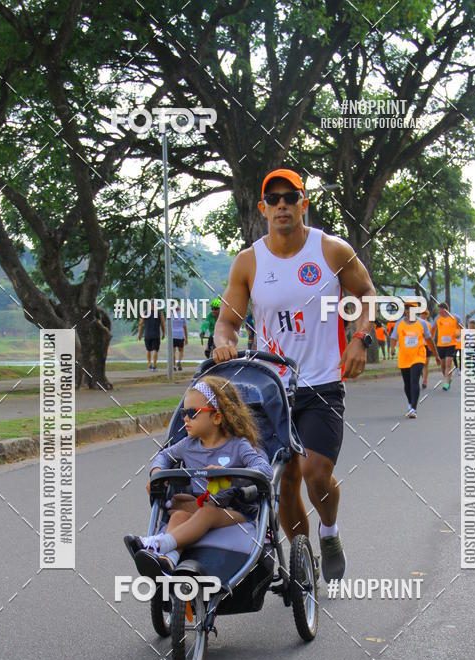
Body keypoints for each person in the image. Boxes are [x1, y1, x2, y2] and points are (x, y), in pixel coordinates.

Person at [212, 167, 375, 581]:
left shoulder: (332, 250)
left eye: (291, 197)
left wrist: (361, 339)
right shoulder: (249, 261)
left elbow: (367, 294)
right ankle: (304, 566)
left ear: (304, 204)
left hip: (322, 383)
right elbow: (227, 321)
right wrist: (222, 341)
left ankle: (330, 531)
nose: (282, 204)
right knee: (282, 482)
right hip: (271, 388)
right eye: (274, 198)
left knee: (315, 473)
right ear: (264, 209)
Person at [124, 376, 273, 574]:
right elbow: (164, 456)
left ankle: (157, 544)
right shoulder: (188, 445)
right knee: (178, 515)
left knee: (207, 512)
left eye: (192, 413)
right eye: (184, 412)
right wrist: (157, 473)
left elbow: (265, 469)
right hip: (201, 503)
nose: (185, 418)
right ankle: (168, 560)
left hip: (235, 510)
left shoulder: (239, 445)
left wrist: (230, 477)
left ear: (217, 417)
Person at [390, 300, 440, 418]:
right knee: (407, 384)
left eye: (411, 308)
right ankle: (410, 403)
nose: (408, 311)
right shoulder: (399, 323)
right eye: (406, 308)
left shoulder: (422, 323)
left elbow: (429, 341)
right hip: (404, 357)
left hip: (418, 356)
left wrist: (436, 355)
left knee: (414, 380)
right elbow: (393, 337)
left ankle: (413, 409)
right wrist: (392, 348)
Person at [431, 301, 461, 391]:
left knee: (448, 364)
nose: (438, 312)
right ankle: (447, 378)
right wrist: (430, 341)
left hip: (451, 344)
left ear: (445, 310)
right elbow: (432, 330)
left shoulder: (455, 318)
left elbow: (462, 327)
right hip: (440, 345)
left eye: (439, 311)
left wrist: (458, 333)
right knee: (443, 365)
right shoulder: (438, 318)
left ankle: (447, 383)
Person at [419, 308, 432, 389]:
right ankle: (421, 373)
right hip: (419, 346)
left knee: (426, 363)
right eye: (423, 313)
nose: (424, 315)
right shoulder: (417, 323)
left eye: (425, 314)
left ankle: (424, 380)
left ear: (427, 315)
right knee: (419, 363)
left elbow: (430, 337)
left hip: (427, 345)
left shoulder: (428, 324)